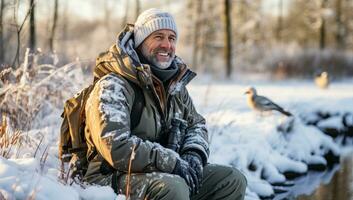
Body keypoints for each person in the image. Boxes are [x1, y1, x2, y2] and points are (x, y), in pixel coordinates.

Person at [83, 8, 247, 200]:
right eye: (158, 37)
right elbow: (114, 145)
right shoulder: (114, 85)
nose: (166, 45)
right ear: (140, 42)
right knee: (174, 188)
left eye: (171, 38)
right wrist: (171, 162)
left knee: (232, 180)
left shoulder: (175, 85)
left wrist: (193, 154)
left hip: (165, 172)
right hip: (110, 177)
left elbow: (197, 124)